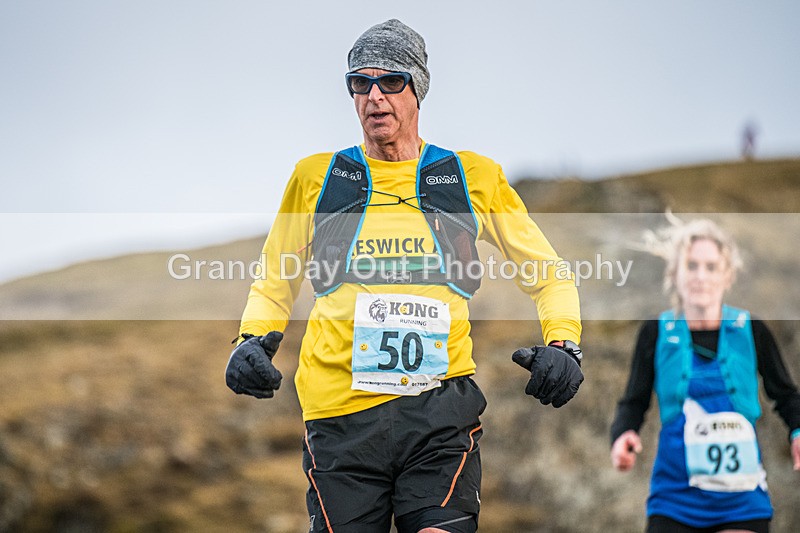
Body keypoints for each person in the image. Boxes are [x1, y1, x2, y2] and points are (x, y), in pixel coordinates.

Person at [225, 19, 583, 533]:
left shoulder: (471, 176)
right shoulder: (316, 178)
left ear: (418, 89)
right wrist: (249, 342)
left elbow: (549, 274)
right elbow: (274, 281)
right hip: (337, 417)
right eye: (359, 82)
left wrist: (564, 345)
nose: (374, 96)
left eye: (391, 81)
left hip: (438, 414)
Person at [609, 217, 800, 533]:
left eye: (711, 267)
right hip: (673, 500)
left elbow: (787, 395)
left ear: (727, 276)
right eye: (691, 266)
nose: (701, 276)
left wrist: (797, 431)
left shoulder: (752, 330)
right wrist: (623, 434)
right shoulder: (655, 333)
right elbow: (633, 401)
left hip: (742, 501)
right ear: (675, 274)